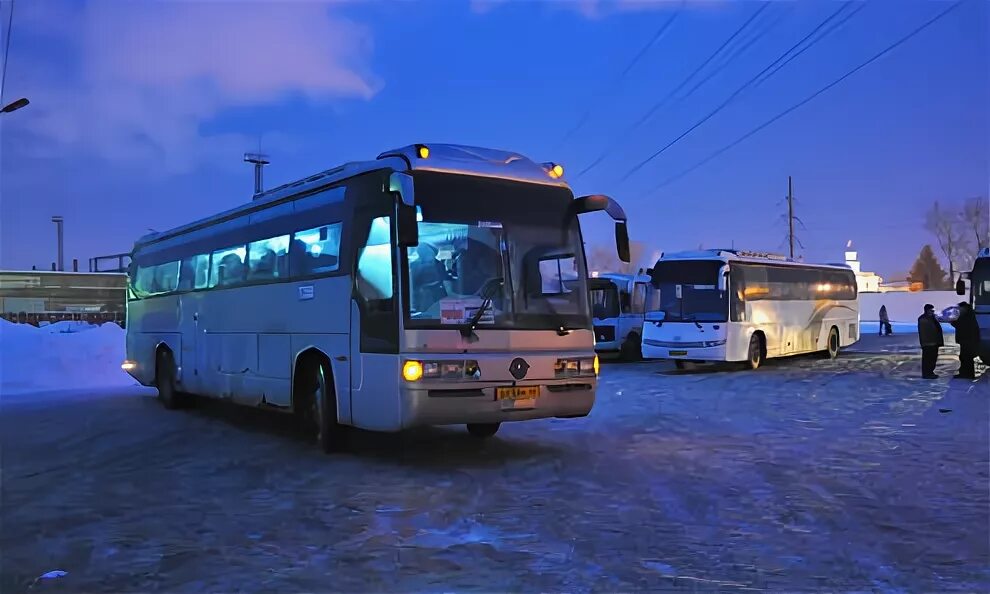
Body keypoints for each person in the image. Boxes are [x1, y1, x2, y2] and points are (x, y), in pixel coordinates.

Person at [950, 301, 981, 380]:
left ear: (964, 308)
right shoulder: (969, 316)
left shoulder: (966, 317)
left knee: (966, 357)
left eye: (960, 308)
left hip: (967, 340)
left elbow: (961, 326)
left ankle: (966, 373)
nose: (959, 310)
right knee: (966, 357)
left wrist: (953, 322)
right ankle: (967, 373)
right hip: (967, 340)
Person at [917, 303, 944, 379]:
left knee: (932, 359)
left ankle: (930, 372)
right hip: (928, 343)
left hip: (934, 342)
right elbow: (927, 331)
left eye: (933, 310)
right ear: (927, 310)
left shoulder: (932, 318)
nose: (932, 312)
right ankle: (927, 373)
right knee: (928, 359)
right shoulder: (923, 319)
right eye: (931, 310)